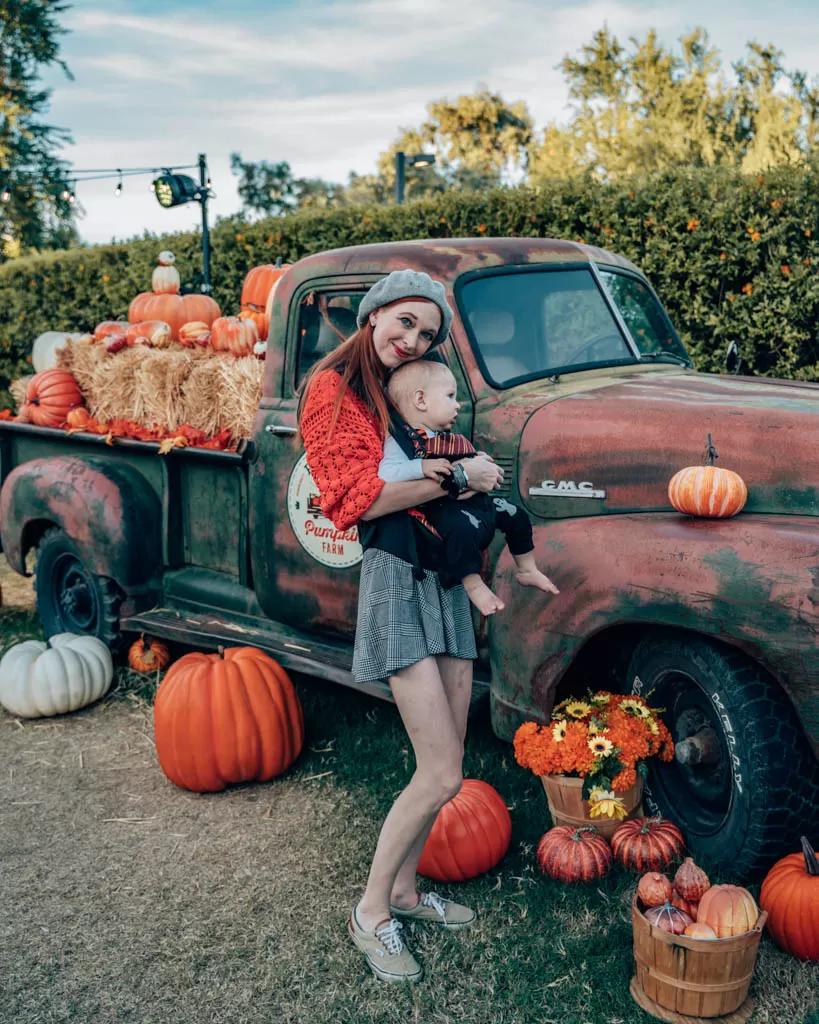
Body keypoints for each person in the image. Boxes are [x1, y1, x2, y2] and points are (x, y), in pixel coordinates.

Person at [298, 269, 504, 984]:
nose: (410, 339)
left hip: (443, 575)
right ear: (375, 310)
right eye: (404, 321)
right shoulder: (333, 390)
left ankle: (408, 892)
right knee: (442, 768)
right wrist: (460, 478)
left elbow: (426, 462)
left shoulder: (401, 388)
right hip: (397, 578)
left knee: (443, 773)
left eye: (425, 332)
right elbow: (358, 499)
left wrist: (460, 475)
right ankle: (370, 914)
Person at [378, 359, 559, 615]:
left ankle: (527, 569)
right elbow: (387, 472)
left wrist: (481, 463)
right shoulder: (403, 441)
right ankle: (474, 586)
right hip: (442, 510)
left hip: (474, 503)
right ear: (421, 400)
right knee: (460, 531)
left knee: (514, 513)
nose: (457, 404)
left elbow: (465, 462)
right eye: (450, 396)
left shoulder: (446, 438)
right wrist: (421, 468)